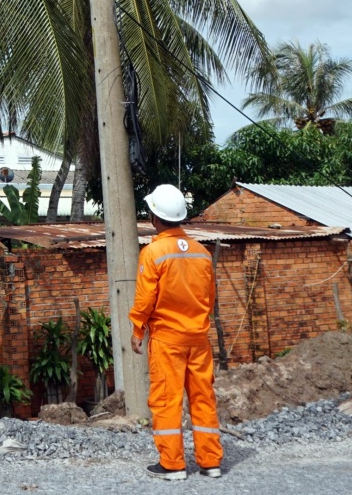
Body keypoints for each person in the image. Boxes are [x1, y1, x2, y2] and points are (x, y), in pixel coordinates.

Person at [129, 184, 224, 481]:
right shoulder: (202, 253)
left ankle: (172, 465)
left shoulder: (153, 252)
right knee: (203, 398)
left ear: (153, 217)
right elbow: (210, 298)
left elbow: (146, 298)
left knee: (167, 400)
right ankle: (211, 462)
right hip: (198, 337)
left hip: (167, 339)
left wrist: (137, 328)